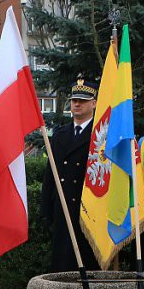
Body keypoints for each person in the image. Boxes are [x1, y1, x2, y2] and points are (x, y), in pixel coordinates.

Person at [41, 79, 98, 271]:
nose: (77, 104)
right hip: (63, 208)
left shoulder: (100, 135)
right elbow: (51, 175)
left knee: (87, 263)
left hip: (88, 211)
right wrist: (46, 210)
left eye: (82, 100)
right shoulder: (60, 135)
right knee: (63, 265)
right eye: (74, 100)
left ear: (94, 103)